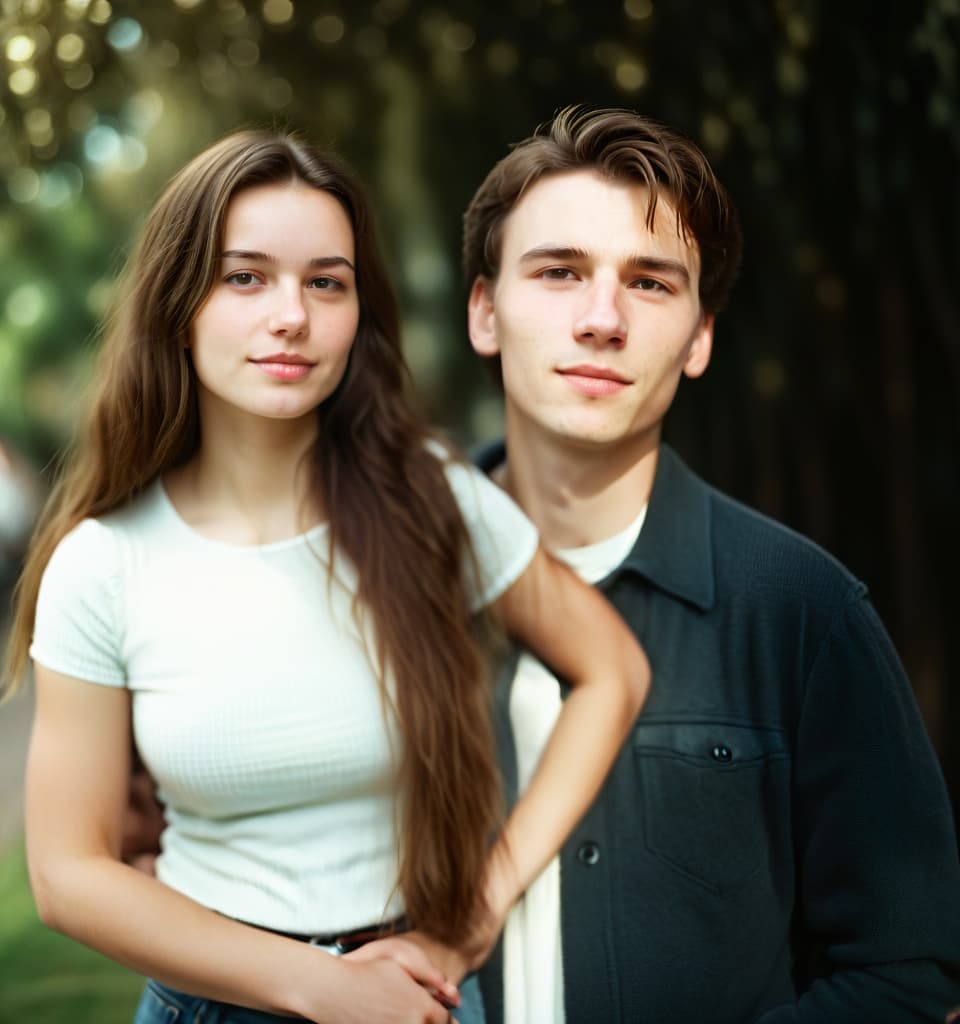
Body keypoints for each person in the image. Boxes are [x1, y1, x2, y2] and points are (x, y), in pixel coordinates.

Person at [1, 129, 651, 1024]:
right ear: (177, 301)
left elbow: (613, 671)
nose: (291, 316)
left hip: (416, 989)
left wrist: (476, 914)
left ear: (358, 310)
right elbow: (67, 876)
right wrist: (322, 989)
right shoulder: (103, 564)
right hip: (215, 1004)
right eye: (245, 277)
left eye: (325, 282)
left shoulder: (432, 502)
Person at [461, 105, 960, 1023]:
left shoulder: (803, 610)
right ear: (485, 312)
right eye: (560, 272)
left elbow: (907, 970)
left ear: (699, 339)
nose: (601, 319)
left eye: (650, 284)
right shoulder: (361, 582)